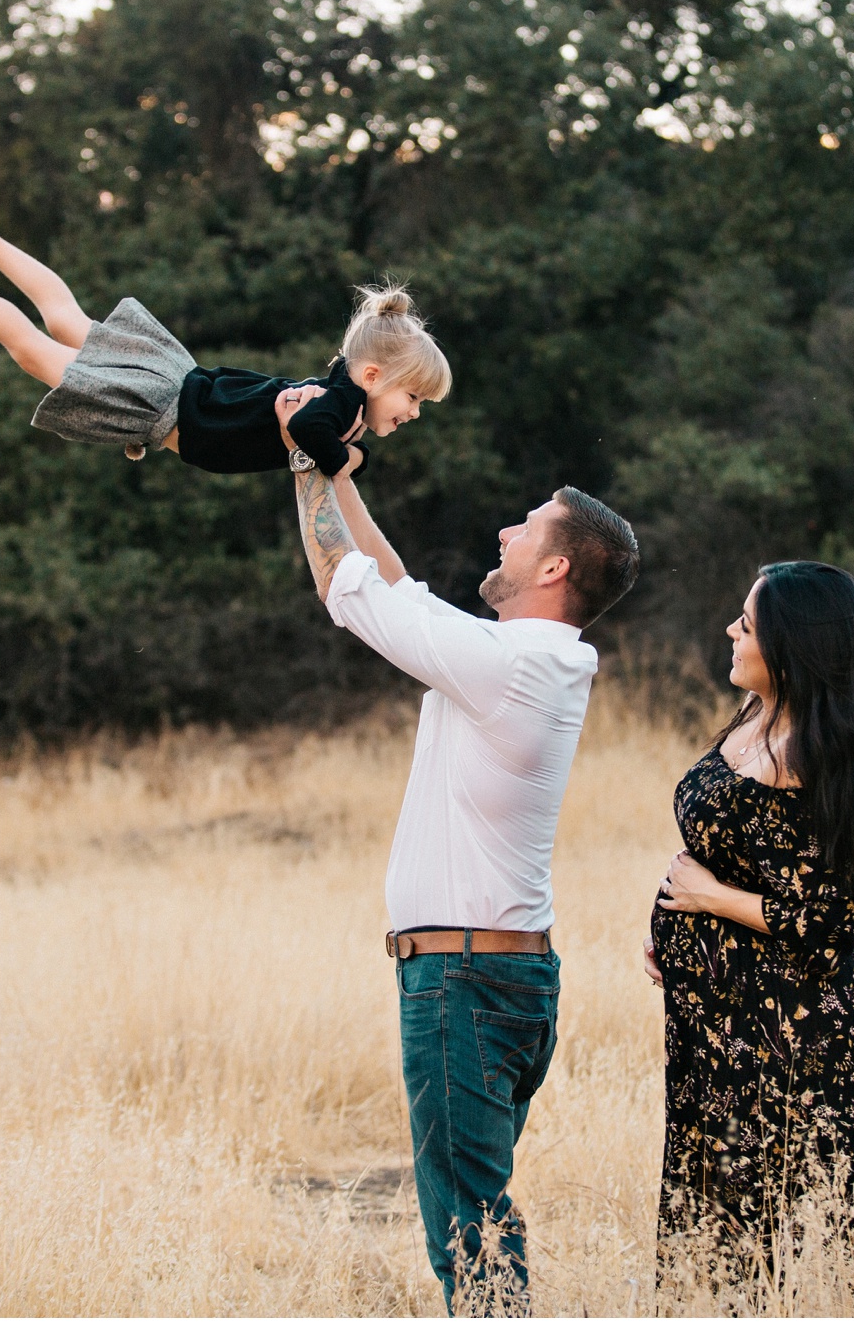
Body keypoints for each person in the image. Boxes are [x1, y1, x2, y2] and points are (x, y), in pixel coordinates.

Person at [281, 400, 637, 1316]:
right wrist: (344, 482)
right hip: (491, 973)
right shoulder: (520, 657)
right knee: (471, 1209)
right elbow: (397, 588)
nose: (505, 531)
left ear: (553, 567)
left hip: (465, 981)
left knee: (467, 1223)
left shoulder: (507, 667)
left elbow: (346, 588)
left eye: (526, 529)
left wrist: (303, 463)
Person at [644, 560, 854, 1297]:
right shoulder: (759, 718)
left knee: (768, 1243)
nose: (730, 630)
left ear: (790, 645)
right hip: (718, 1030)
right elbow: (734, 848)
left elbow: (825, 924)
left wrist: (706, 899)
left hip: (788, 1039)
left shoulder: (815, 754)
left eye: (746, 624)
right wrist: (674, 920)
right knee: (715, 1241)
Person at [0, 206, 447, 470]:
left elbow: (322, 445)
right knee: (34, 350)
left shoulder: (341, 400)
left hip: (175, 381)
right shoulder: (337, 405)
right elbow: (315, 439)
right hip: (162, 404)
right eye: (413, 398)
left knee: (67, 321)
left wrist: (355, 454)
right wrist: (352, 458)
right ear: (372, 376)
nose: (415, 413)